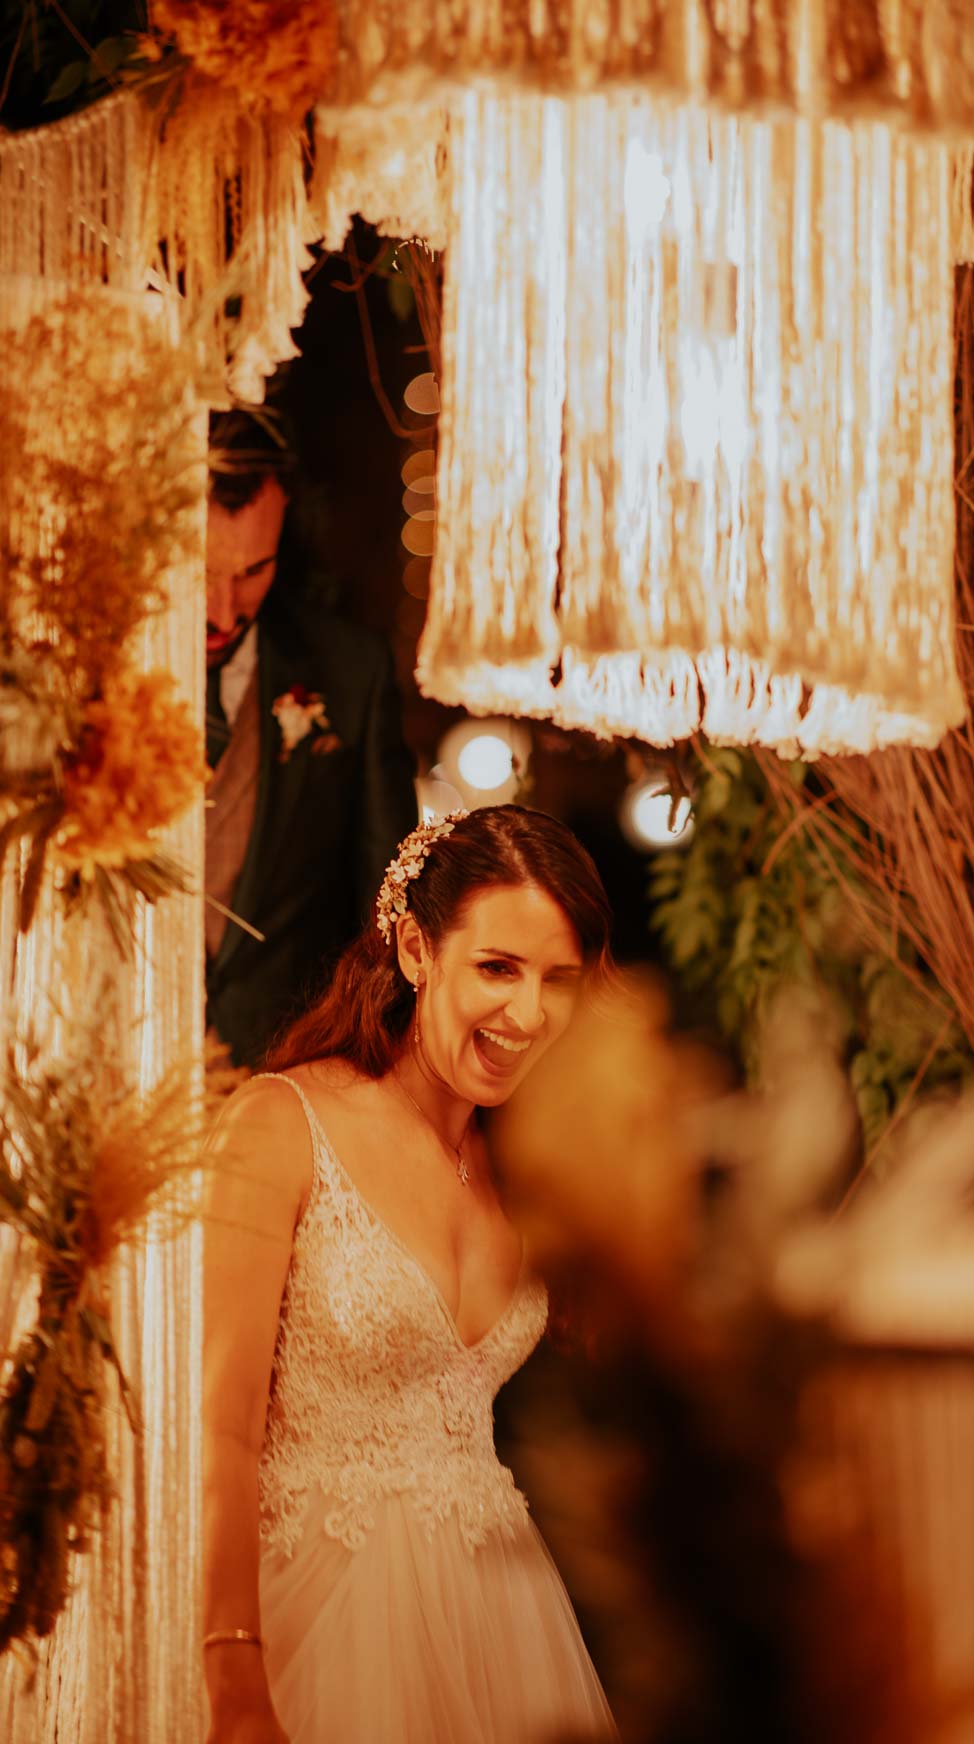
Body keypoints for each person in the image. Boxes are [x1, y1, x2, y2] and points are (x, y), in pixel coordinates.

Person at [201, 804, 619, 1744]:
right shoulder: (281, 1126)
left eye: (558, 980)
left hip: (501, 1618)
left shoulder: (533, 1173)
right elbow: (217, 1429)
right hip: (315, 1615)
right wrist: (231, 1669)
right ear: (417, 950)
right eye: (498, 969)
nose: (531, 1014)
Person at [204, 410, 418, 1068]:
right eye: (202, 570)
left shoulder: (349, 673)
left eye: (251, 572)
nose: (222, 609)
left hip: (281, 1068)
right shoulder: (82, 666)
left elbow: (381, 908)